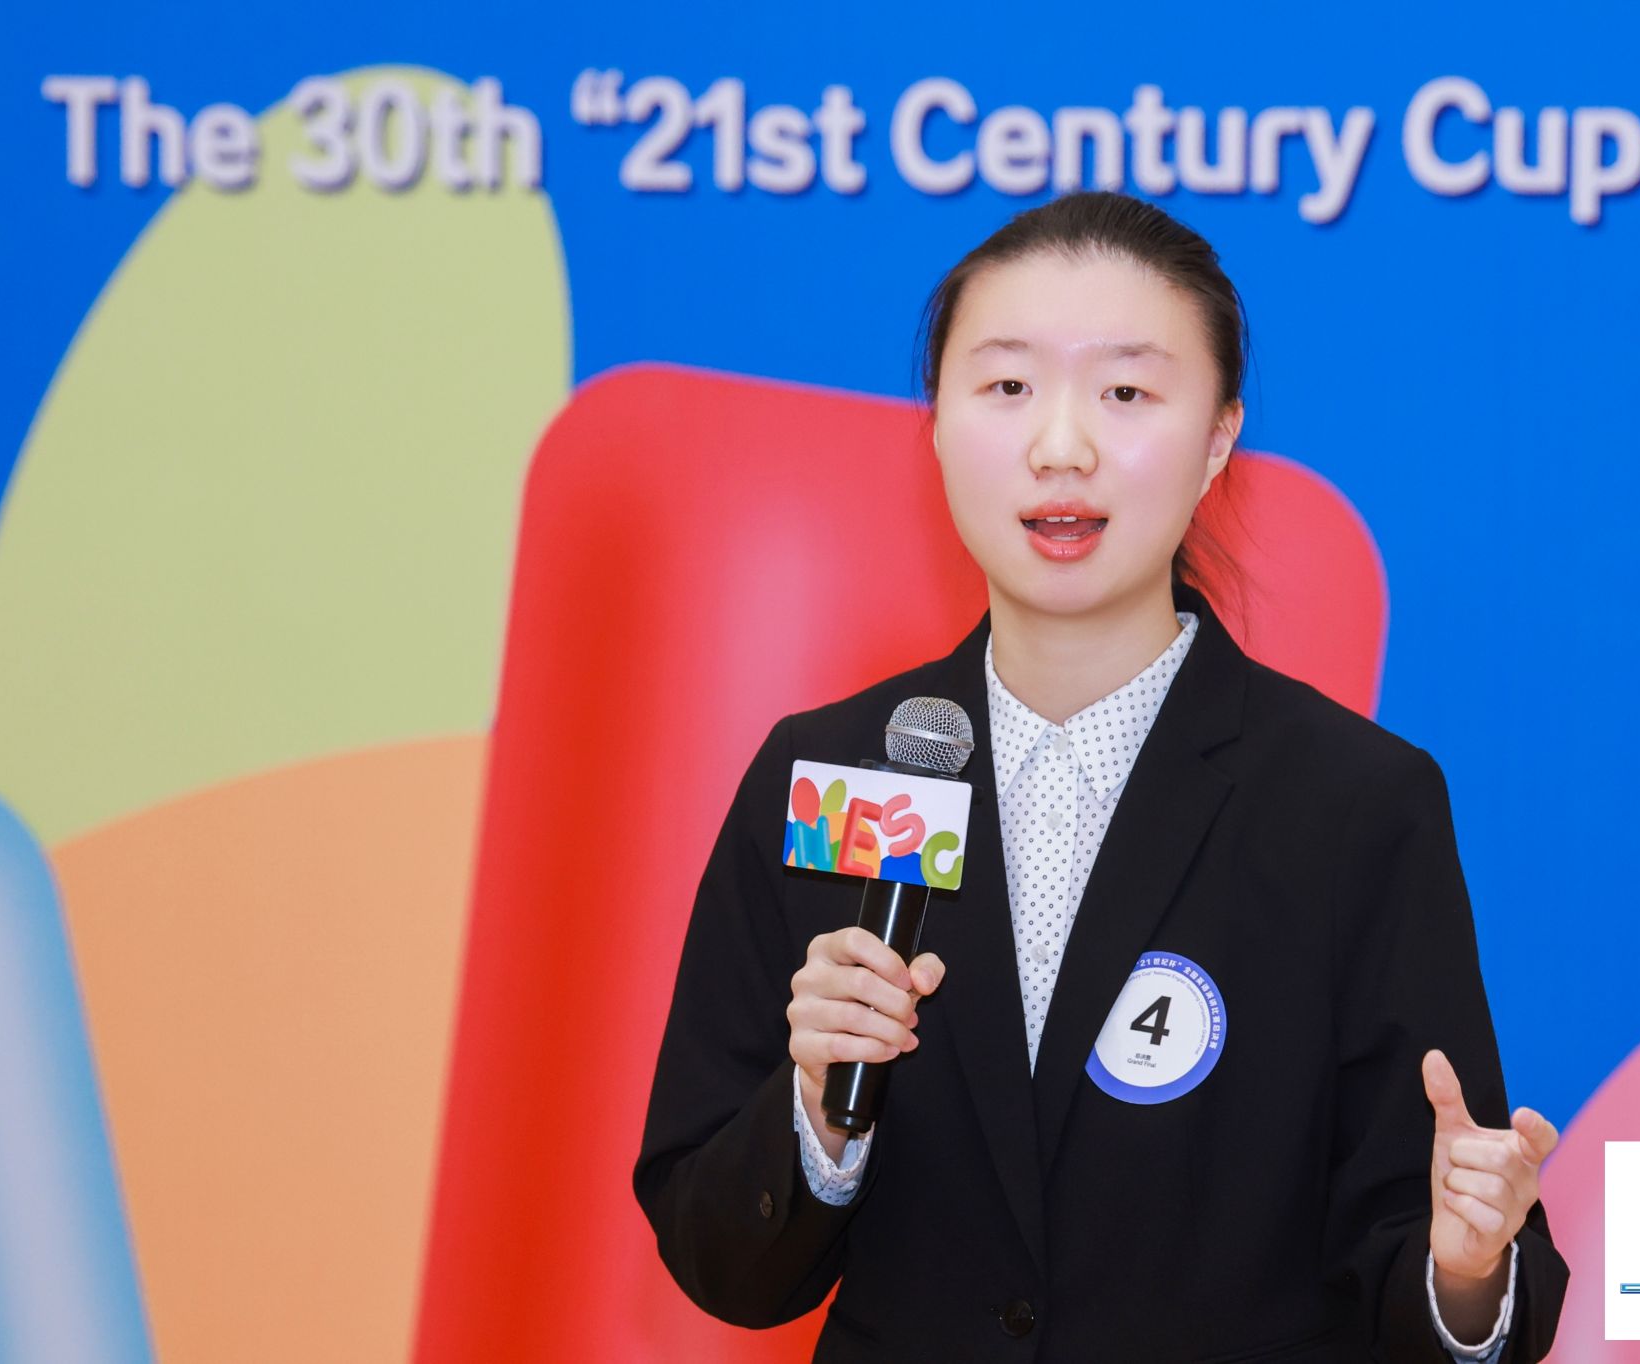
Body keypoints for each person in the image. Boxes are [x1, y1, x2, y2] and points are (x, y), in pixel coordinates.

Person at [634, 190, 1569, 1361]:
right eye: (1006, 385)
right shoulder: (828, 774)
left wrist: (1465, 1269)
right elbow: (718, 1253)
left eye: (1125, 392)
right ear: (935, 424)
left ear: (1218, 437)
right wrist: (816, 1110)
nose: (1060, 446)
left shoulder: (1351, 803)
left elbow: (1416, 1237)